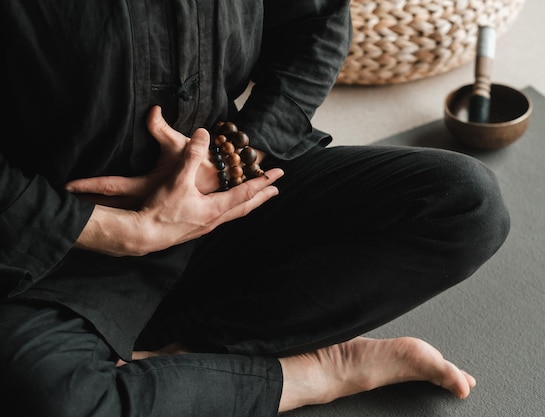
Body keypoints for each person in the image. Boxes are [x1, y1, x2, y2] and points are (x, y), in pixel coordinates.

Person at [0, 1, 510, 416]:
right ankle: (322, 371)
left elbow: (317, 23)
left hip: (223, 204)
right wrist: (125, 231)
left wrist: (221, 168)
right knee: (55, 402)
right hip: (52, 252)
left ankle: (184, 354)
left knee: (466, 204)